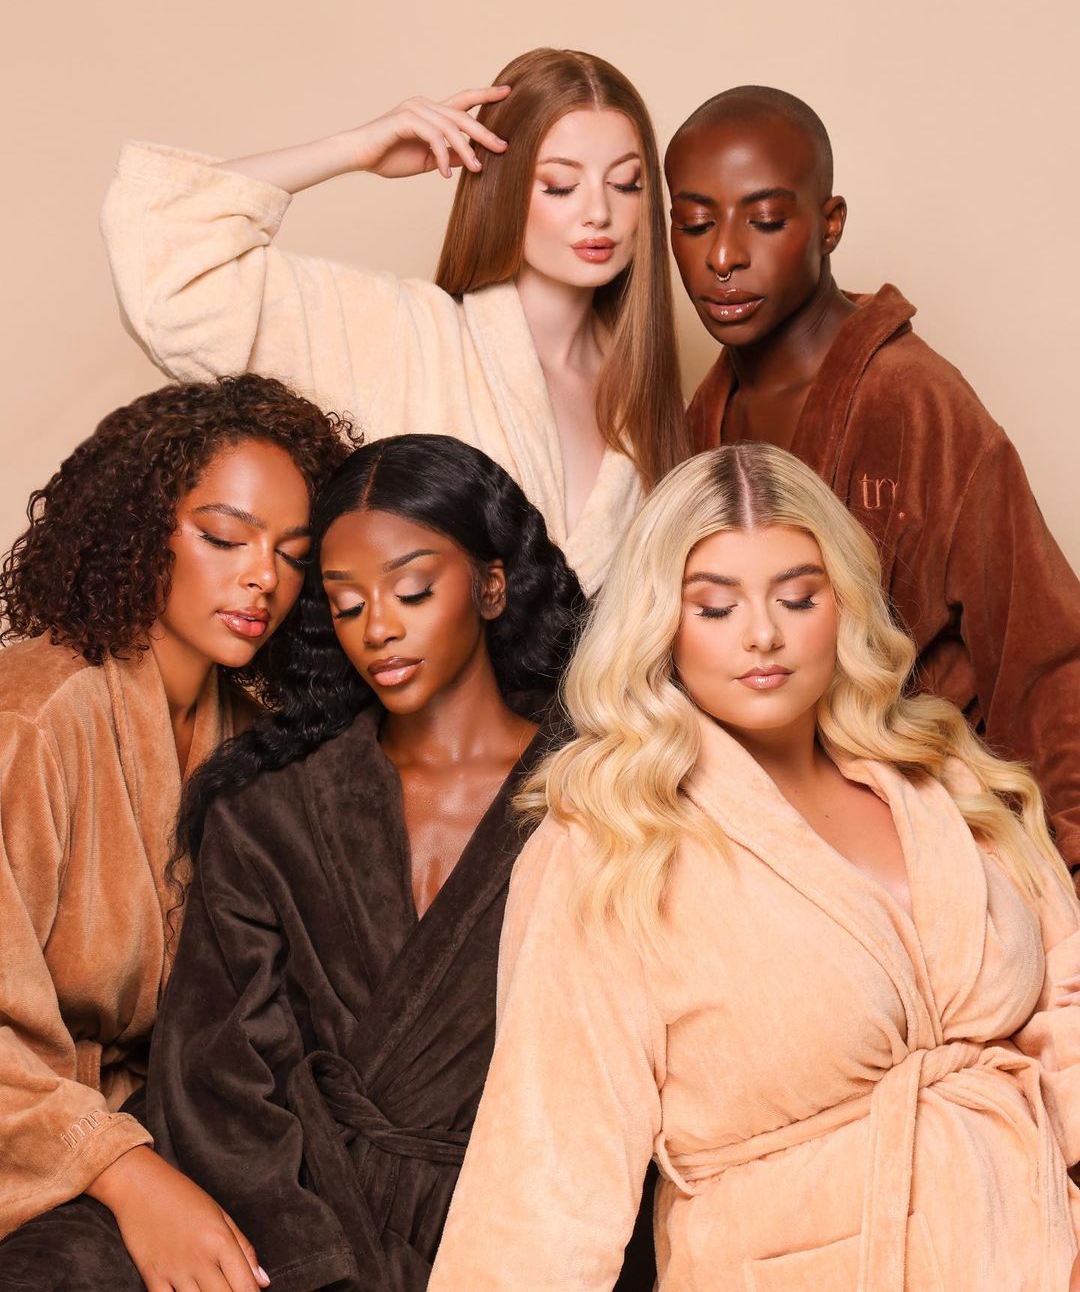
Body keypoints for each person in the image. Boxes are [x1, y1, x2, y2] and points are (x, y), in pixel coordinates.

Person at [428, 442, 1080, 1290]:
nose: (763, 635)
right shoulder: (610, 843)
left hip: (1033, 1251)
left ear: (843, 605)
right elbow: (547, 1174)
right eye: (715, 607)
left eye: (798, 597)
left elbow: (1066, 1004)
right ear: (661, 623)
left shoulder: (943, 779)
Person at [141, 434, 621, 1291]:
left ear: (491, 586)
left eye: (412, 590)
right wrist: (319, 1261)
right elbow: (217, 1080)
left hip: (529, 1228)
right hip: (311, 1234)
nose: (380, 628)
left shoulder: (602, 793)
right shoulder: (269, 811)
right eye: (346, 604)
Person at [0, 375, 356, 1288]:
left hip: (173, 1126)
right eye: (225, 538)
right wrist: (129, 1177)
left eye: (294, 554)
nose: (263, 577)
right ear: (136, 530)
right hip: (38, 1156)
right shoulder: (33, 720)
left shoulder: (257, 739)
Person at [665, 85, 1080, 864]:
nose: (723, 257)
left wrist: (1070, 869)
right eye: (693, 224)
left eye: (765, 220)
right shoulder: (702, 419)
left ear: (830, 224)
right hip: (764, 836)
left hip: (929, 830)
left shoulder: (914, 401)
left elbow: (1045, 652)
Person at [100, 48, 686, 595]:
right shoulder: (399, 334)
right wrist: (355, 149)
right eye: (561, 185)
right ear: (503, 187)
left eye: (626, 183)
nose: (599, 212)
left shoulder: (646, 395)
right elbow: (171, 258)